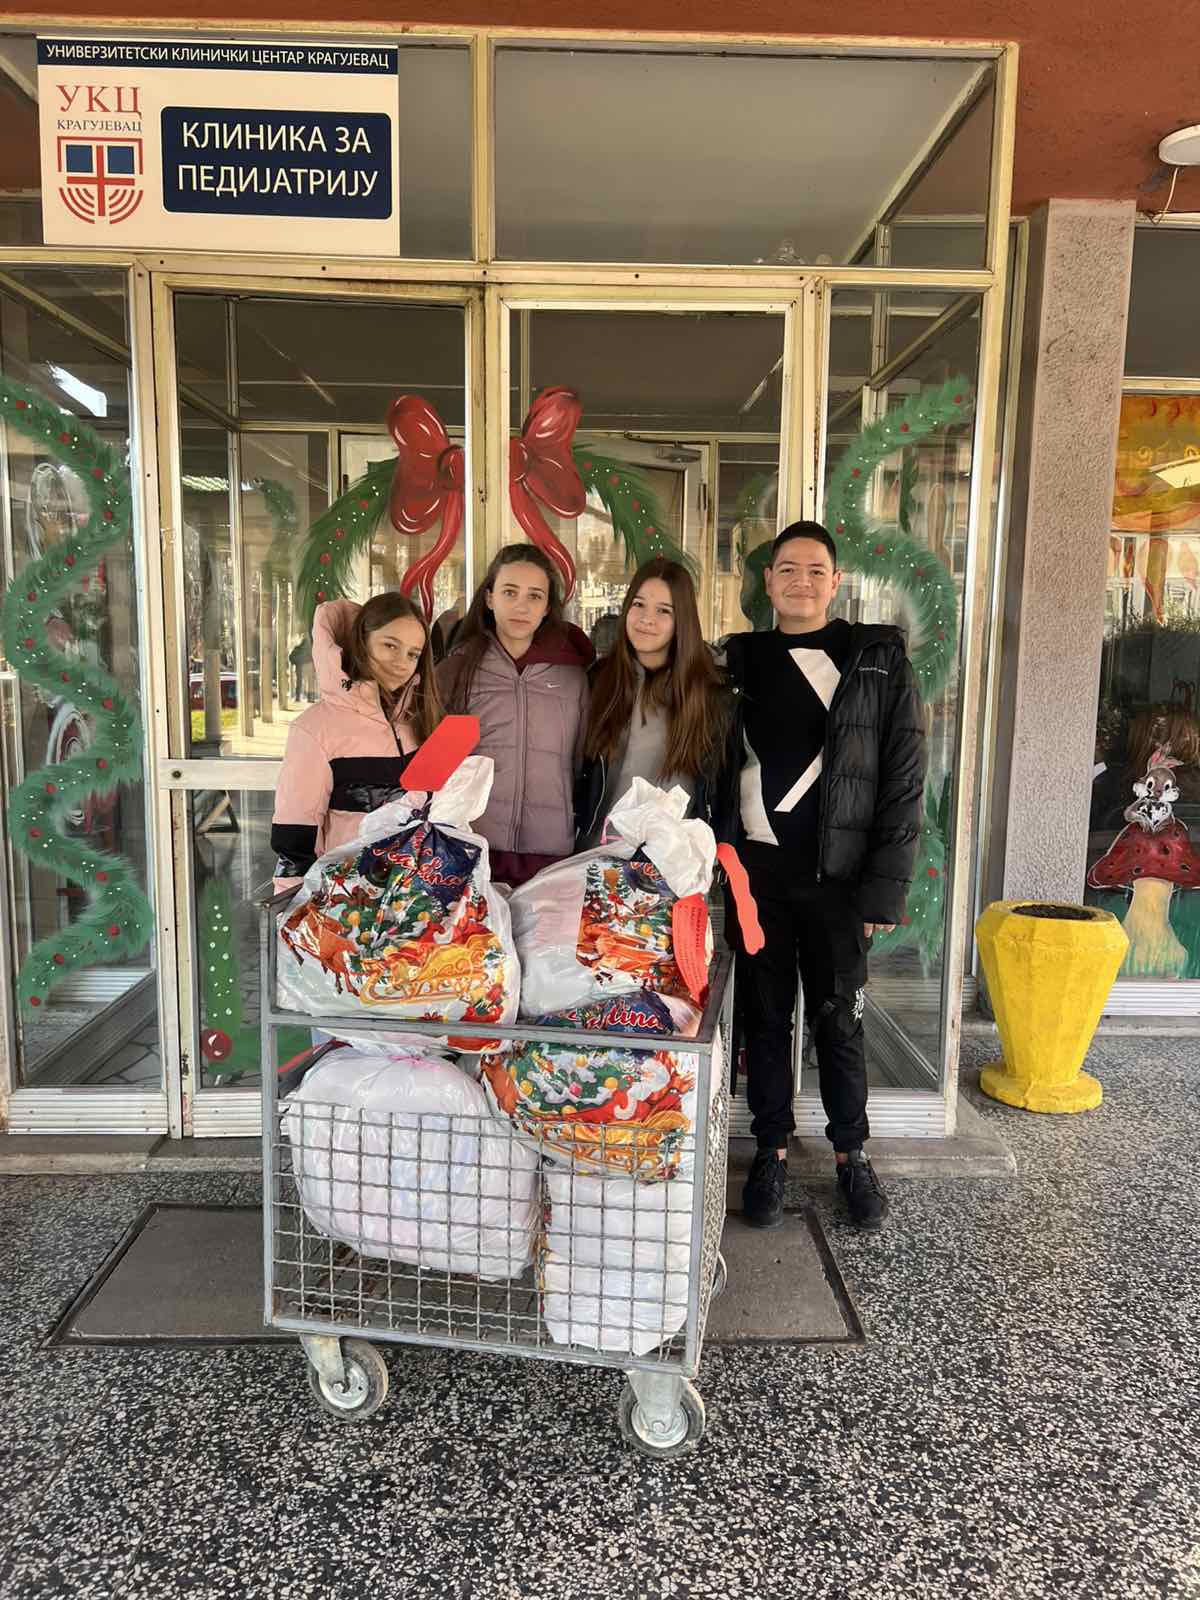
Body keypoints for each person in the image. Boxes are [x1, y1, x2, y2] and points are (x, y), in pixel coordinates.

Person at [715, 520, 926, 1232]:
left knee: (840, 1022)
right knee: (764, 1020)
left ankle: (851, 1155)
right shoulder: (739, 660)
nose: (800, 582)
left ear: (836, 582)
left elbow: (903, 777)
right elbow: (714, 761)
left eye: (815, 570)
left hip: (840, 881)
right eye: (787, 569)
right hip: (758, 877)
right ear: (768, 581)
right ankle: (770, 1150)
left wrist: (884, 888)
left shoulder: (875, 659)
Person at [437, 542, 593, 888]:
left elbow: (580, 762)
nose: (521, 606)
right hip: (471, 845)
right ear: (490, 598)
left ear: (547, 607)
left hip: (550, 849)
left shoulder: (572, 677)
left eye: (534, 596)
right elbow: (438, 766)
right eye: (510, 592)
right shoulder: (457, 671)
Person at [271, 593, 441, 890]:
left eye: (413, 654)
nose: (402, 663)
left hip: (414, 898)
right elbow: (295, 834)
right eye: (390, 645)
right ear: (362, 641)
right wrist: (294, 906)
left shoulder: (419, 722)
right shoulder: (315, 729)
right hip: (345, 900)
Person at [576, 558, 728, 846]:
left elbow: (721, 792)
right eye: (639, 604)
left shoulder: (711, 690)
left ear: (682, 620)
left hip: (674, 858)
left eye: (663, 610)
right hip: (598, 854)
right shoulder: (599, 680)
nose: (647, 619)